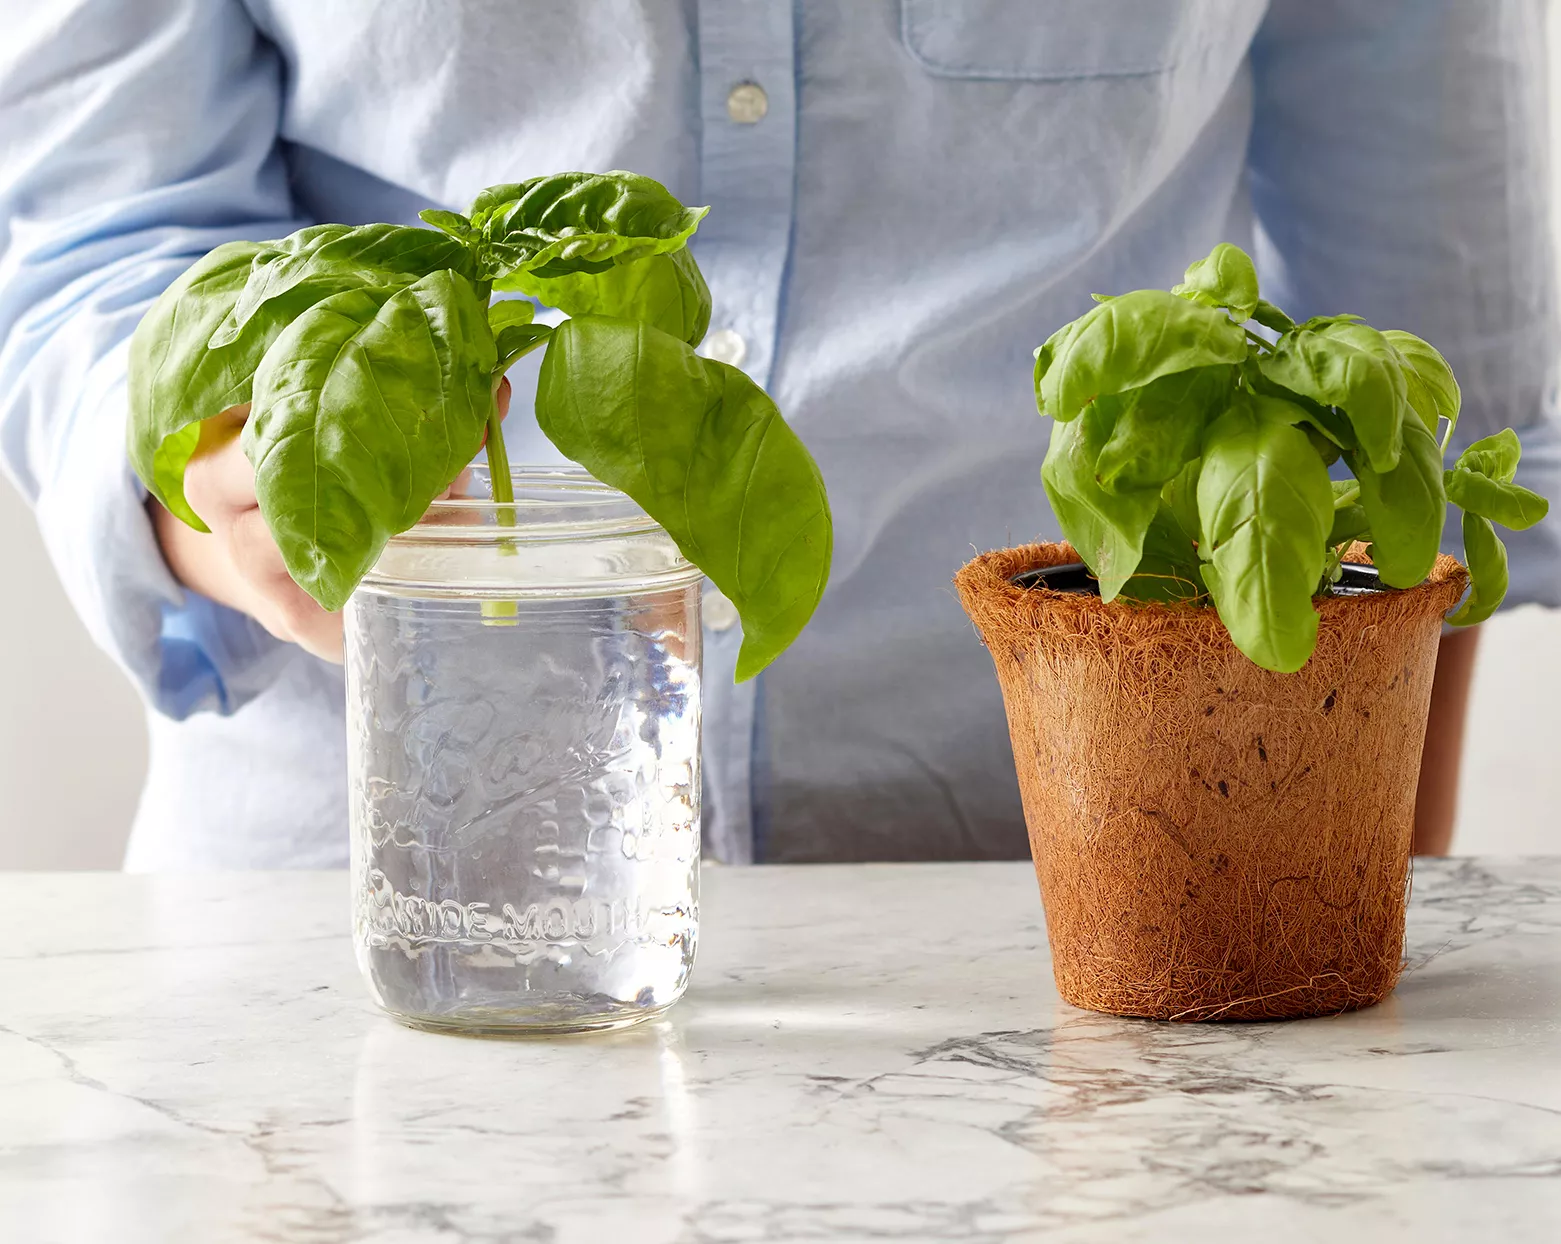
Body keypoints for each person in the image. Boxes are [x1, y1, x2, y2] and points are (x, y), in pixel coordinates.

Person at [1, 1, 1555, 869]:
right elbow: (90, 236)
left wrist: (1351, 937)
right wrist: (219, 473)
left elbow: (1420, 423)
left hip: (1066, 928)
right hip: (365, 917)